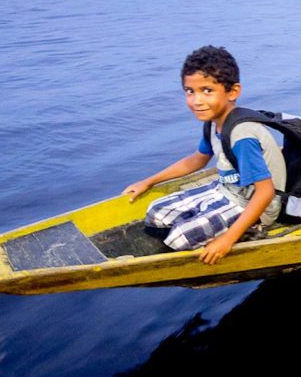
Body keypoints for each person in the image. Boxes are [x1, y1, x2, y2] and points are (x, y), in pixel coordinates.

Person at [122, 46, 286, 265]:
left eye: (207, 90)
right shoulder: (213, 124)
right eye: (190, 91)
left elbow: (265, 193)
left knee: (180, 237)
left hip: (255, 204)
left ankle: (249, 229)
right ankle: (211, 225)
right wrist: (148, 181)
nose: (196, 101)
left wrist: (228, 239)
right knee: (155, 212)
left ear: (233, 92)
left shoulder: (242, 136)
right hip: (227, 189)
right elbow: (196, 160)